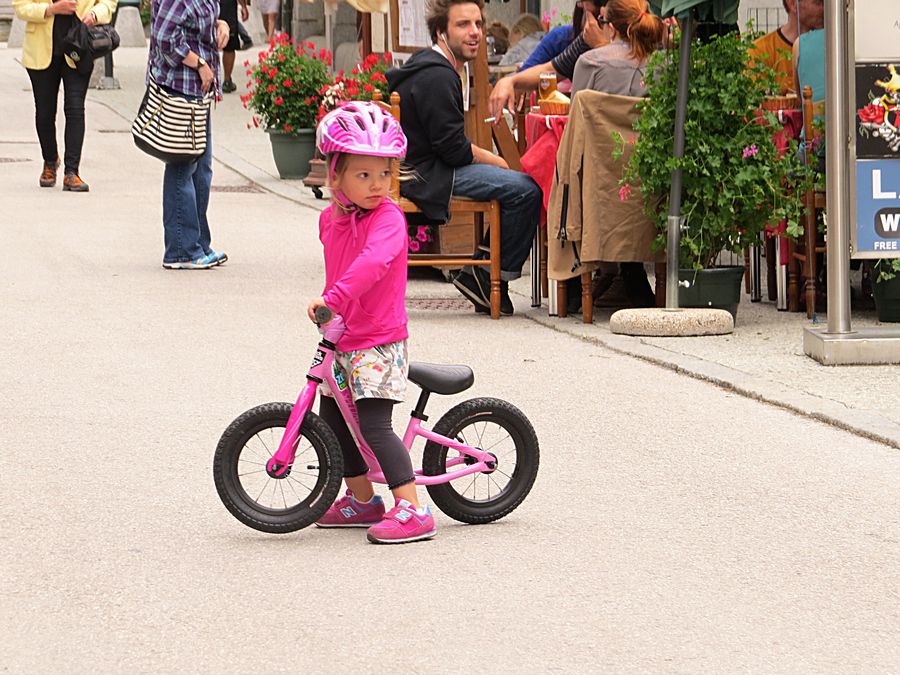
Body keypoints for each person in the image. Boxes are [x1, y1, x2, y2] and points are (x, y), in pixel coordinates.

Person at [309, 102, 437, 545]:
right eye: (364, 175)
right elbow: (338, 265)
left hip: (379, 342)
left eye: (385, 173)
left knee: (374, 426)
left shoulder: (389, 219)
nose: (378, 184)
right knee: (332, 423)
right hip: (344, 338)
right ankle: (363, 499)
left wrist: (333, 299)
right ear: (336, 175)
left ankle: (413, 508)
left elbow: (371, 264)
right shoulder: (331, 220)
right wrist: (331, 313)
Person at [386, 0, 542, 316]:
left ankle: (480, 272)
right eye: (463, 25)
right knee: (526, 189)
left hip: (423, 167)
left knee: (518, 183)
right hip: (429, 175)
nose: (474, 33)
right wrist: (495, 160)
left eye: (478, 24)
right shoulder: (439, 76)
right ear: (441, 31)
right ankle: (486, 276)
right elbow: (454, 150)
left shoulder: (429, 64)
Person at [569, 0, 664, 309]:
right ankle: (631, 274)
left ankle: (574, 282)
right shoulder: (664, 65)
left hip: (600, 178)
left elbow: (576, 123)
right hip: (649, 180)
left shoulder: (591, 62)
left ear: (608, 24)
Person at [149, 0, 230, 269]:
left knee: (201, 170)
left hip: (197, 93)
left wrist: (221, 25)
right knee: (183, 167)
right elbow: (164, 38)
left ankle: (197, 245)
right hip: (180, 89)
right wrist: (200, 64)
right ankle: (181, 250)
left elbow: (194, 24)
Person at [14, 0, 117, 192]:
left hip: (79, 48)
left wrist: (95, 14)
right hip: (41, 51)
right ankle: (50, 160)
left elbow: (108, 2)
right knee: (44, 113)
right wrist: (50, 9)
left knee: (75, 108)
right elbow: (21, 7)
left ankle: (72, 172)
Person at [490, 0, 609, 121]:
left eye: (598, 17)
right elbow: (552, 68)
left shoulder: (624, 46)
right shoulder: (581, 39)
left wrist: (600, 47)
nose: (591, 23)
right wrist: (511, 80)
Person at [748, 0, 824, 95]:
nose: (825, 9)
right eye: (819, 2)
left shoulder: (833, 48)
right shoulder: (758, 52)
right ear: (792, 3)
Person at [219, 0, 249, 93]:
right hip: (227, 6)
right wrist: (243, 6)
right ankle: (227, 80)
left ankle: (207, 77)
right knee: (229, 44)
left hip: (205, 4)